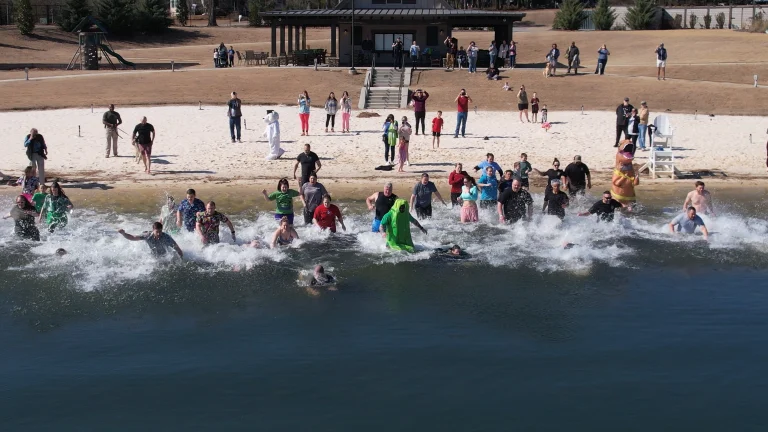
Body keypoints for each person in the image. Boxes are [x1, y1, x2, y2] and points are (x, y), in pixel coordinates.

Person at [117, 222, 183, 258]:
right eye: (157, 231)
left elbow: (178, 249)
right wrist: (124, 234)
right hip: (153, 257)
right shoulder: (147, 235)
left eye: (160, 231)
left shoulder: (166, 237)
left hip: (164, 256)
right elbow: (133, 237)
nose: (159, 233)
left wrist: (181, 259)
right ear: (153, 230)